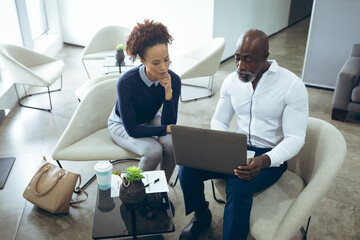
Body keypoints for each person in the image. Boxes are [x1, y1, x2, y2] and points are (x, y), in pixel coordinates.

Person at [177, 29, 308, 240]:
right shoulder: (231, 81)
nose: (241, 67)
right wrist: (221, 146)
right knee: (187, 168)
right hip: (235, 148)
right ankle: (201, 215)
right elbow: (220, 120)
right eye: (237, 58)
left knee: (238, 187)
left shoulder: (292, 86)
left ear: (265, 56)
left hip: (269, 155)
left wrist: (265, 160)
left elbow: (295, 138)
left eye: (248, 60)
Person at [108, 19, 181, 184]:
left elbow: (170, 123)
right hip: (121, 125)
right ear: (143, 61)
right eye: (156, 63)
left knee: (172, 145)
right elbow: (132, 129)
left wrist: (168, 94)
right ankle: (133, 191)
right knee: (154, 151)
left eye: (166, 60)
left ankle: (162, 187)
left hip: (149, 119)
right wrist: (165, 129)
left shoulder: (173, 80)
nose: (163, 67)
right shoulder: (126, 83)